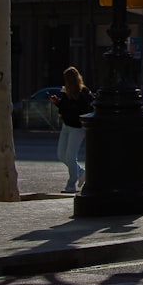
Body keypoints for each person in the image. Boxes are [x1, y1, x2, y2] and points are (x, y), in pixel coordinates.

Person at [50, 66, 94, 194]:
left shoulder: (83, 93)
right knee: (61, 154)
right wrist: (57, 102)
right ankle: (81, 173)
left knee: (70, 155)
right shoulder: (66, 93)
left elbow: (84, 109)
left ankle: (71, 184)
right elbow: (65, 108)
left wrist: (65, 105)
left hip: (77, 128)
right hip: (67, 125)